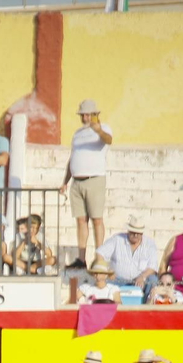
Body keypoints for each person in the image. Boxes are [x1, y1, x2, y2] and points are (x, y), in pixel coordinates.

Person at [63, 99, 113, 254]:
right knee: (80, 220)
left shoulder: (103, 128)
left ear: (95, 114)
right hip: (77, 181)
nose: (85, 118)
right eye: (82, 115)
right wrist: (65, 181)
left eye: (88, 115)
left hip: (94, 179)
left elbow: (108, 140)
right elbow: (73, 157)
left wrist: (98, 130)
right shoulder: (77, 133)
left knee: (96, 219)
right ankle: (81, 257)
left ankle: (99, 254)